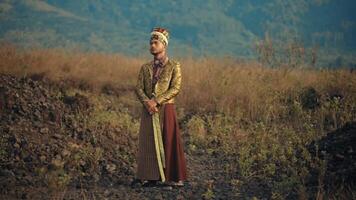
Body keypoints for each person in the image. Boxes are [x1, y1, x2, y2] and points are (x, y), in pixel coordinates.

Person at [131, 27, 188, 188]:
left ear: (164, 44)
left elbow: (175, 88)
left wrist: (156, 101)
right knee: (148, 142)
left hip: (166, 109)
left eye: (155, 42)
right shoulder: (145, 68)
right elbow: (138, 88)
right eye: (150, 42)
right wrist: (147, 103)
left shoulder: (174, 66)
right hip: (148, 110)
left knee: (168, 140)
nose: (152, 45)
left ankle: (173, 177)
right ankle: (151, 177)